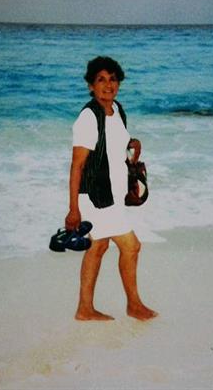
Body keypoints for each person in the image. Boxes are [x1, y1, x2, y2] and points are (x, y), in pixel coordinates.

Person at [65, 56, 158, 321]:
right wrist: (73, 210)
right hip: (95, 198)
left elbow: (114, 146)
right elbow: (77, 166)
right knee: (131, 246)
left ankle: (85, 309)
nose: (108, 85)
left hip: (112, 194)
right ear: (91, 85)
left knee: (98, 247)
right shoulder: (88, 117)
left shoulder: (117, 110)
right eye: (101, 80)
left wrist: (132, 146)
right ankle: (134, 305)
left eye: (113, 79)